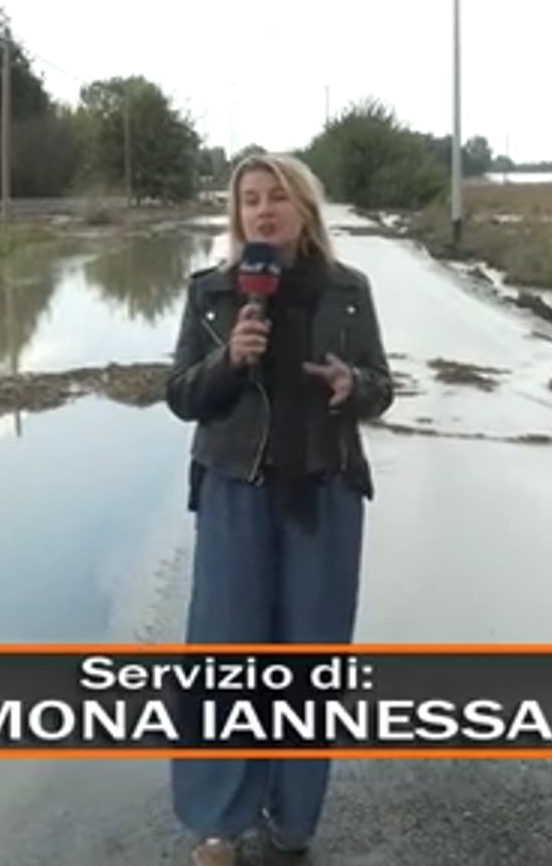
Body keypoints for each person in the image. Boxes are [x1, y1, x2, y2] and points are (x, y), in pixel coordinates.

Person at [163, 152, 395, 865]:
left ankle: (293, 819)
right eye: (250, 200)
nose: (262, 211)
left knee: (310, 656)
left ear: (305, 210)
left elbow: (382, 387)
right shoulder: (212, 293)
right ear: (238, 216)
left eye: (277, 198)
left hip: (325, 488)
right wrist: (230, 360)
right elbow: (181, 396)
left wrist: (351, 384)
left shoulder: (349, 291)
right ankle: (219, 823)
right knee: (227, 654)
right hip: (236, 484)